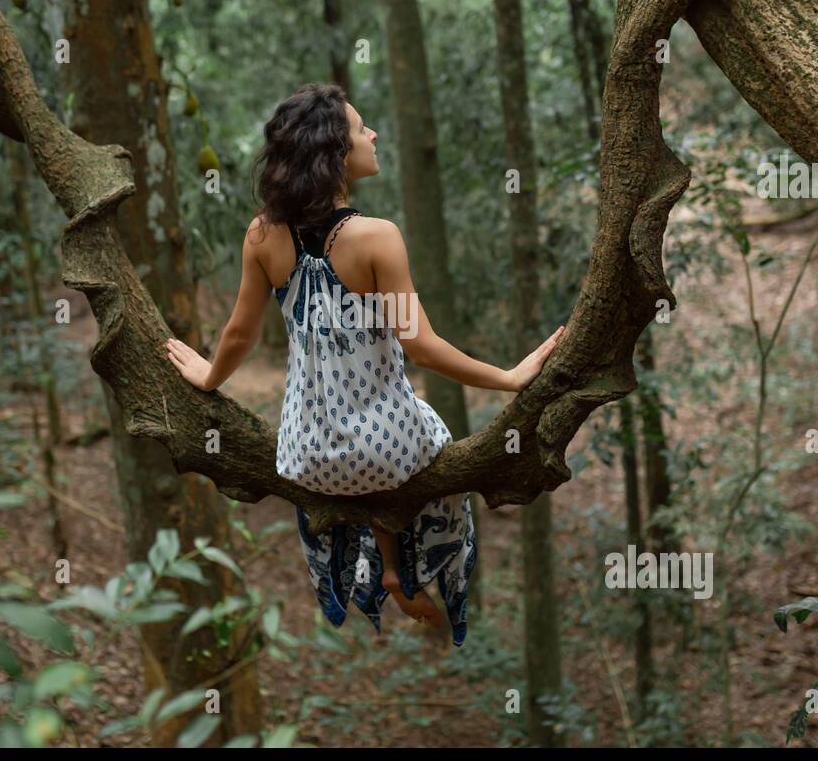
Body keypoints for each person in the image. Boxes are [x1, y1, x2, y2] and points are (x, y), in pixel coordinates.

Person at [166, 83, 561, 645]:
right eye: (360, 129)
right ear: (334, 153)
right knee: (424, 428)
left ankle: (390, 570)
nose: (372, 134)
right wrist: (508, 377)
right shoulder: (378, 239)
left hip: (303, 452)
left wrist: (206, 376)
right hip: (385, 448)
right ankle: (415, 569)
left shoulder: (261, 235)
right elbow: (420, 346)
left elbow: (238, 334)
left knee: (375, 437)